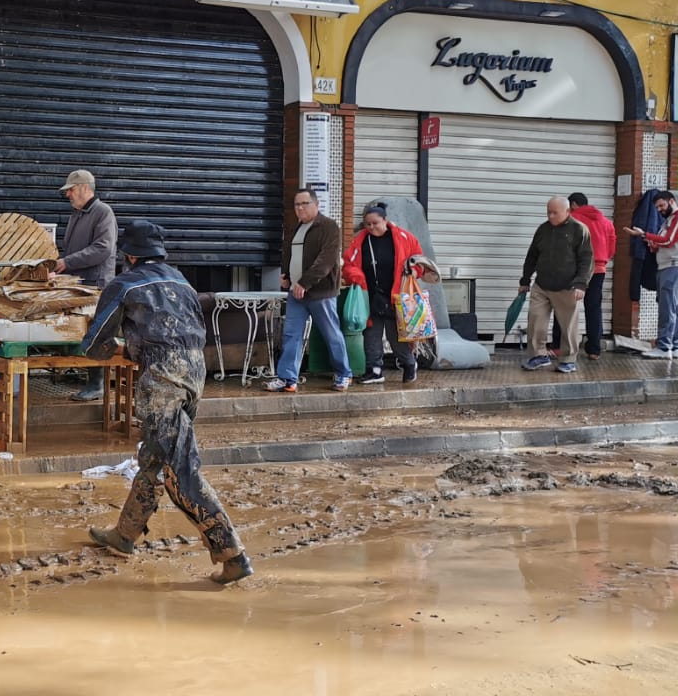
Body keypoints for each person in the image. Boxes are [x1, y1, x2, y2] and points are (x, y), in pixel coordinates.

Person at [81, 220, 252, 586]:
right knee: (156, 457)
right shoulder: (181, 281)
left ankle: (232, 552)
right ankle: (124, 534)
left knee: (180, 470)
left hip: (163, 377)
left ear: (128, 255)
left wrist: (127, 350)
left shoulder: (124, 284)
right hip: (195, 371)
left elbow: (95, 344)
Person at [266, 188, 351, 393]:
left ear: (316, 204)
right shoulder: (297, 228)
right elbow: (290, 254)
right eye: (297, 204)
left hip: (320, 293)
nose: (300, 208)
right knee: (291, 335)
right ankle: (287, 379)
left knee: (331, 334)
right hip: (296, 293)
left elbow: (326, 261)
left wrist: (305, 283)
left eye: (305, 203)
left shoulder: (328, 226)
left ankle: (343, 374)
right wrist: (286, 276)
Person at [342, 205, 427, 384]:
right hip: (370, 295)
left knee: (395, 336)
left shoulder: (404, 238)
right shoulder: (360, 241)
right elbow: (349, 263)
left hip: (397, 295)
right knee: (371, 334)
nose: (371, 227)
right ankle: (374, 370)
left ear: (385, 221)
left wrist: (415, 271)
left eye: (375, 223)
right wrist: (355, 276)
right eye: (368, 224)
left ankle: (409, 363)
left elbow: (419, 259)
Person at [53, 169, 118, 401]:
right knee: (82, 331)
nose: (68, 194)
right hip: (78, 283)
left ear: (84, 188)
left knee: (96, 332)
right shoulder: (77, 214)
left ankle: (97, 384)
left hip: (96, 284)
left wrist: (67, 262)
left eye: (71, 189)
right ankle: (83, 376)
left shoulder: (103, 212)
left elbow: (103, 249)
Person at [519, 196, 594, 373]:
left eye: (555, 212)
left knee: (568, 326)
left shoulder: (579, 230)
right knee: (536, 320)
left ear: (567, 212)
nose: (551, 216)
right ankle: (538, 355)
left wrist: (581, 284)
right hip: (542, 285)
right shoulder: (543, 229)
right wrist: (525, 280)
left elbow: (586, 259)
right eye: (548, 212)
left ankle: (568, 359)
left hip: (568, 286)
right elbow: (532, 256)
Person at [625, 191, 678, 359]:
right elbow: (661, 243)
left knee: (667, 307)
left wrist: (643, 234)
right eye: (657, 207)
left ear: (672, 201)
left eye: (662, 205)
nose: (660, 210)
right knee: (673, 306)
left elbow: (669, 240)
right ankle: (674, 346)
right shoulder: (668, 221)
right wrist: (651, 243)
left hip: (673, 266)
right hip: (666, 266)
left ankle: (664, 346)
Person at [550, 192, 616, 360]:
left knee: (564, 306)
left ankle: (559, 346)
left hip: (574, 269)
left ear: (572, 205)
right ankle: (594, 350)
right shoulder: (606, 222)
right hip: (598, 270)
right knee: (594, 308)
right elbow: (611, 250)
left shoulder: (571, 220)